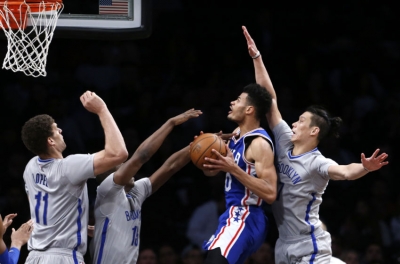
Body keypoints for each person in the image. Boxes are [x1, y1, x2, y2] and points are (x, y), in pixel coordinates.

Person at [242, 25, 389, 264]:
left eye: (300, 120)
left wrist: (365, 168)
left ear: (314, 130)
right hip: (283, 245)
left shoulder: (317, 162)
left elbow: (344, 171)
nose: (294, 123)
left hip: (309, 246)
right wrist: (257, 58)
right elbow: (269, 101)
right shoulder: (283, 138)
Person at [21, 91, 128, 264]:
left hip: (34, 257)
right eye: (56, 129)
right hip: (63, 256)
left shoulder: (31, 167)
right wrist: (102, 110)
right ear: (51, 141)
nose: (61, 130)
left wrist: (72, 225)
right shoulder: (69, 167)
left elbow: (41, 208)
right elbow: (119, 153)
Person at [90, 109, 202, 264]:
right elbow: (142, 156)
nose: (127, 167)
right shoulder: (107, 191)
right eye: (121, 166)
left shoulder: (135, 192)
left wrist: (199, 145)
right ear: (110, 175)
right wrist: (171, 123)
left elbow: (171, 166)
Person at [202, 83, 278, 264]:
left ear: (249, 109)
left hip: (247, 216)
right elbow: (212, 172)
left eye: (238, 100)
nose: (232, 103)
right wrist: (208, 156)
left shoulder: (259, 144)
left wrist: (232, 168)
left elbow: (270, 193)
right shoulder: (236, 134)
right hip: (232, 214)